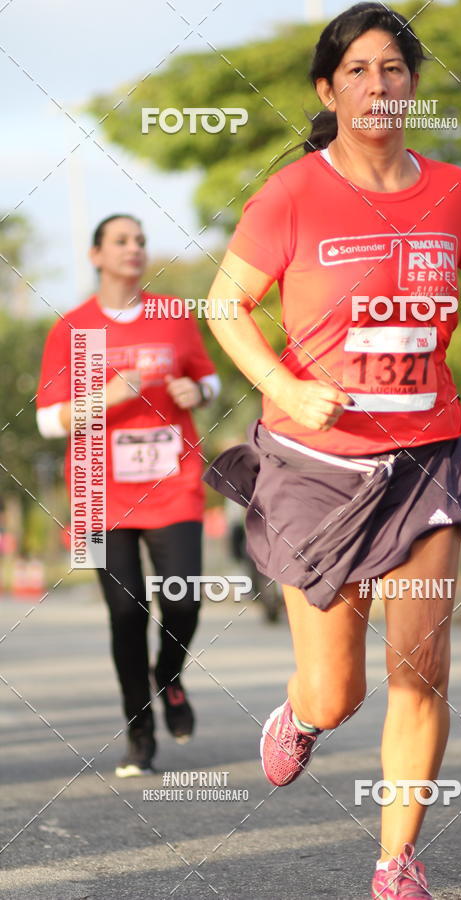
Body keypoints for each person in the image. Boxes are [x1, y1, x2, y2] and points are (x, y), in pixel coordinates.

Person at [203, 3, 461, 897]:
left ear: (412, 86)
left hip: (426, 457)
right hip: (317, 467)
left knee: (418, 669)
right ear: (329, 88)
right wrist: (285, 387)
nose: (378, 85)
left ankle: (396, 863)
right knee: (337, 690)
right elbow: (222, 306)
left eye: (393, 69)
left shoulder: (458, 191)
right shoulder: (292, 194)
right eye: (357, 70)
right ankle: (305, 718)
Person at [36, 214, 220, 777]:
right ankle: (139, 735)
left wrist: (198, 389)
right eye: (121, 241)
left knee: (184, 601)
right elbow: (48, 421)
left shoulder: (173, 315)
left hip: (173, 480)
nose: (134, 249)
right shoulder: (72, 328)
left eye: (140, 240)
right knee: (125, 612)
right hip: (98, 489)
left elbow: (207, 379)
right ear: (96, 255)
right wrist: (109, 396)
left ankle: (170, 675)